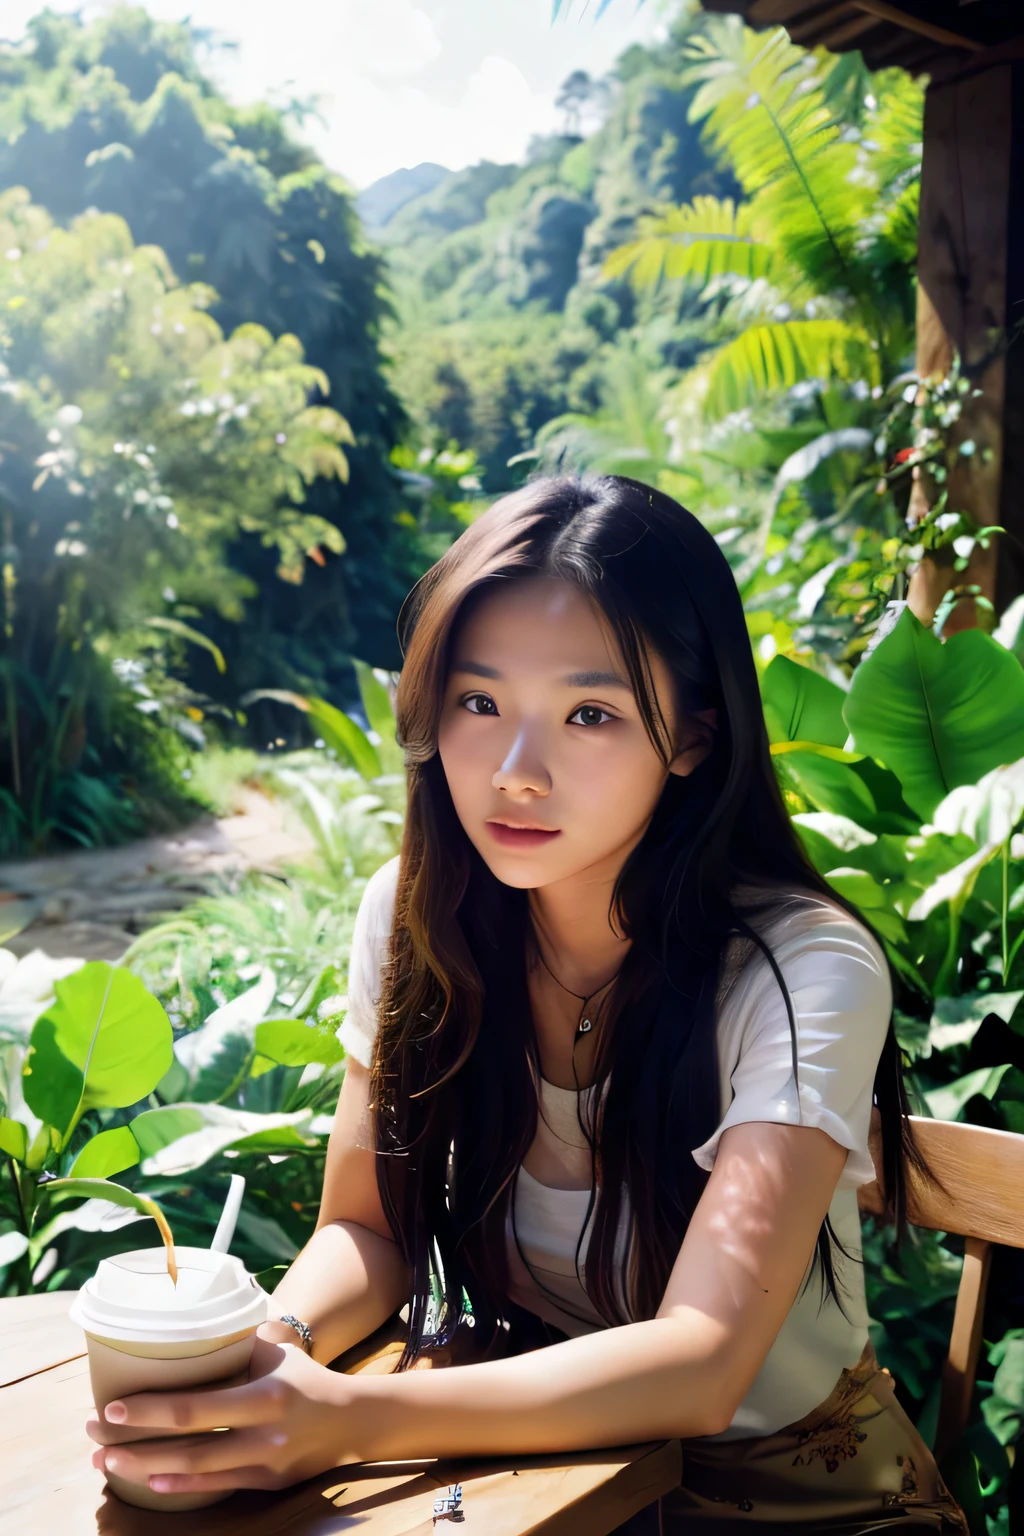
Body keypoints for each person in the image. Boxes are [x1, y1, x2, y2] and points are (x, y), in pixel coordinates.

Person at [87, 476, 967, 1532]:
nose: (514, 772)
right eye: (478, 702)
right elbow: (367, 1231)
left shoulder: (800, 969)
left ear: (690, 737)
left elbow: (702, 1362)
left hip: (793, 1502)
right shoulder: (417, 918)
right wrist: (278, 1346)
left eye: (588, 713)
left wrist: (346, 1422)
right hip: (545, 1480)